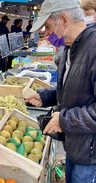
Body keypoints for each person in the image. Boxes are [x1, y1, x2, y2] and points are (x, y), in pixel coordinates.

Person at [25, 0, 96, 182]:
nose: (47, 34)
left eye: (48, 27)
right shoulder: (70, 48)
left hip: (90, 158)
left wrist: (64, 120)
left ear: (64, 19)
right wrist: (46, 97)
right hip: (75, 146)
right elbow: (76, 88)